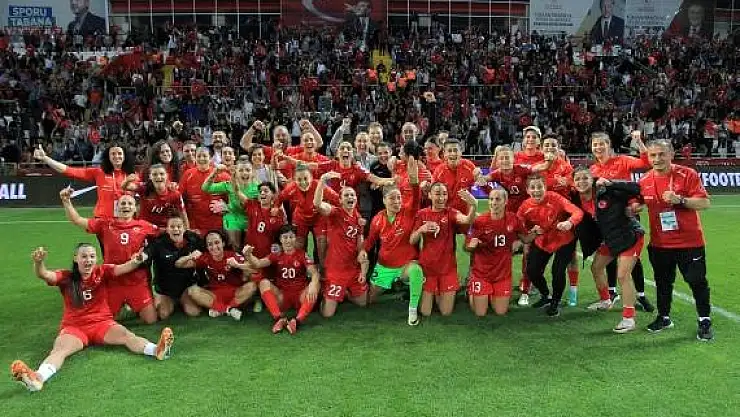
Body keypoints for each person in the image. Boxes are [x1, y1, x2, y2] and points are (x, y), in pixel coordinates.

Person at [10, 245, 173, 393]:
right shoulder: (66, 277)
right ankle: (37, 379)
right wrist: (39, 263)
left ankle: (157, 350)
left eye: (92, 256)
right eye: (84, 256)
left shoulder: (102, 272)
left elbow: (123, 268)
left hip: (102, 324)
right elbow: (44, 274)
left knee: (127, 336)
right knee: (60, 350)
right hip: (75, 328)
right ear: (76, 258)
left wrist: (137, 260)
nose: (88, 260)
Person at [637, 140, 713, 341]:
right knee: (663, 283)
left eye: (662, 154)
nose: (657, 159)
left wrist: (681, 200)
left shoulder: (687, 174)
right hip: (660, 244)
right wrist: (633, 208)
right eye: (653, 155)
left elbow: (705, 202)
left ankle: (704, 320)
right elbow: (637, 203)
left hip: (690, 242)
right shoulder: (644, 180)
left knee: (697, 281)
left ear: (671, 154)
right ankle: (664, 317)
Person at [60, 188, 159, 324]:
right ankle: (123, 305)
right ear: (117, 208)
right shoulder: (105, 224)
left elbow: (163, 235)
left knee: (151, 320)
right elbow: (77, 220)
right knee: (105, 320)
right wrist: (66, 201)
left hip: (136, 281)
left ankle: (133, 304)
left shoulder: (145, 226)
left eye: (130, 204)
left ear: (135, 208)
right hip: (113, 281)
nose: (126, 206)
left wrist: (146, 254)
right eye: (122, 203)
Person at [572, 168, 645, 333]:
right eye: (577, 179)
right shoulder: (577, 198)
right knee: (596, 267)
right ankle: (606, 300)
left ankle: (629, 318)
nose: (581, 182)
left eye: (585, 178)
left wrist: (612, 183)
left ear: (592, 180)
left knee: (623, 275)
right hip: (611, 239)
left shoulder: (607, 190)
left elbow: (637, 188)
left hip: (630, 236)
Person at [590, 131, 653, 311]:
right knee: (608, 255)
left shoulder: (623, 160)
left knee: (633, 260)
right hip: (607, 220)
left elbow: (647, 163)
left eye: (602, 143)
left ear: (609, 145)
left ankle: (641, 295)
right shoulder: (593, 169)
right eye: (595, 144)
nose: (598, 147)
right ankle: (611, 292)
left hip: (627, 216)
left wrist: (639, 142)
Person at [364, 155, 425, 326]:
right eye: (392, 198)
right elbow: (370, 242)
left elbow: (416, 196)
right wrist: (362, 251)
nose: (397, 201)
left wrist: (414, 182)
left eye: (399, 197)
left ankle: (412, 311)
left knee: (416, 271)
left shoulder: (408, 211)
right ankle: (396, 285)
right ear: (384, 200)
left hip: (405, 265)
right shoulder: (377, 219)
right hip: (384, 266)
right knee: (368, 300)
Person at [517, 174, 583, 317]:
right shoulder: (524, 207)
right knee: (532, 270)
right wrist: (531, 231)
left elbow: (577, 212)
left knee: (557, 271)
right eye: (532, 187)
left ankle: (555, 302)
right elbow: (519, 226)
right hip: (543, 241)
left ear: (545, 187)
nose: (536, 190)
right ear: (527, 190)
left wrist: (569, 222)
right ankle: (545, 295)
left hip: (564, 239)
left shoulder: (555, 198)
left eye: (539, 187)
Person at [410, 183, 476, 317]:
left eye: (444, 194)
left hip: (447, 269)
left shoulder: (451, 212)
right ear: (430, 195)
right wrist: (421, 229)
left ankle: (440, 291)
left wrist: (473, 205)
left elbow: (467, 220)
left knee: (446, 312)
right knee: (425, 312)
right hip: (428, 268)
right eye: (437, 194)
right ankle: (434, 291)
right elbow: (412, 240)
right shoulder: (422, 214)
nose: (441, 198)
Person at [243, 225, 321, 334]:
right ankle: (279, 318)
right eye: (285, 237)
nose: (288, 240)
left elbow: (314, 272)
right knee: (263, 283)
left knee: (316, 284)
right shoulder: (276, 255)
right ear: (280, 239)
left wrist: (313, 283)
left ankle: (297, 321)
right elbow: (258, 263)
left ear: (295, 238)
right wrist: (248, 255)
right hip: (282, 297)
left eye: (291, 237)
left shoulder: (302, 254)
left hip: (300, 296)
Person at [466, 188, 531, 317]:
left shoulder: (513, 219)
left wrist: (536, 232)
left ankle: (489, 293)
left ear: (505, 201)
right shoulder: (480, 221)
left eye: (497, 199)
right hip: (482, 273)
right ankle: (471, 289)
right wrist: (471, 246)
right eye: (491, 199)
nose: (493, 202)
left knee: (500, 312)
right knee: (480, 313)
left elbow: (525, 238)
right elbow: (467, 246)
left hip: (502, 274)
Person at [314, 172, 370, 317]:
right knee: (327, 314)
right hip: (336, 271)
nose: (350, 197)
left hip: (352, 269)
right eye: (346, 195)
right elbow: (318, 204)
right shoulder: (335, 213)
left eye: (352, 195)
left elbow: (360, 242)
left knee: (363, 303)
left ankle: (343, 293)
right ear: (340, 200)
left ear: (356, 199)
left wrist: (362, 256)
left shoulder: (358, 217)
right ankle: (324, 291)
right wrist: (322, 180)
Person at [34, 144, 135, 220]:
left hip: (126, 220)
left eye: (119, 153)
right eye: (113, 154)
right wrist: (45, 159)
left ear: (124, 156)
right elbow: (69, 170)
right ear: (108, 157)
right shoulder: (99, 172)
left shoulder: (133, 176)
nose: (116, 156)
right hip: (103, 221)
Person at [174, 230, 255, 321]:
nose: (214, 247)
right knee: (192, 290)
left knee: (252, 286)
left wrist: (237, 265)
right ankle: (229, 310)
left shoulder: (232, 255)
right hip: (214, 296)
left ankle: (220, 309)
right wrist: (190, 256)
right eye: (210, 244)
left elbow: (253, 268)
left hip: (235, 294)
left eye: (217, 243)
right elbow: (178, 264)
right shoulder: (205, 257)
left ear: (223, 243)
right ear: (207, 247)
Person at [145, 217, 204, 319]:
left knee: (194, 312)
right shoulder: (158, 243)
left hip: (185, 288)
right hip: (165, 290)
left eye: (179, 226)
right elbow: (147, 256)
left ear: (184, 228)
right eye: (172, 227)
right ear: (167, 229)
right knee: (163, 314)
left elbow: (206, 248)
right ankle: (165, 301)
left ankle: (182, 301)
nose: (176, 229)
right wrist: (140, 256)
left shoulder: (193, 239)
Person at [202, 159, 259, 249]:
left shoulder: (258, 187)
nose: (244, 173)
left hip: (251, 218)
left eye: (248, 170)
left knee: (252, 246)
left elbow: (255, 207)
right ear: (236, 172)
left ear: (252, 173)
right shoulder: (229, 185)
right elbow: (206, 188)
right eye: (241, 170)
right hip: (233, 216)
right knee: (234, 244)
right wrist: (215, 172)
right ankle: (235, 255)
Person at [179, 147, 230, 235]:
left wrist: (227, 206)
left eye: (205, 156)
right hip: (195, 225)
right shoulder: (188, 175)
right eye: (199, 156)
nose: (202, 159)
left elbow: (235, 197)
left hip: (217, 224)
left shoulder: (222, 175)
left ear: (210, 158)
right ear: (195, 158)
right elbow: (179, 198)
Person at [122, 164, 189, 229]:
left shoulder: (175, 194)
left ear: (167, 175)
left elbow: (183, 214)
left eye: (162, 174)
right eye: (154, 174)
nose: (159, 177)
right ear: (150, 177)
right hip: (144, 228)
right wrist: (128, 180)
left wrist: (187, 230)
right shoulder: (144, 188)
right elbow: (125, 187)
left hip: (163, 229)